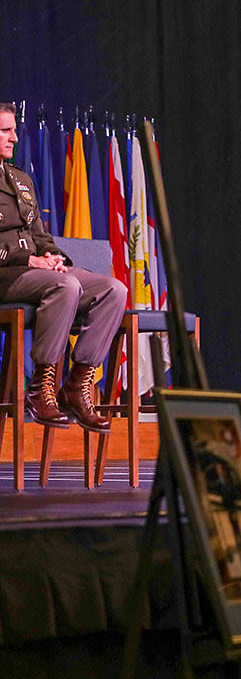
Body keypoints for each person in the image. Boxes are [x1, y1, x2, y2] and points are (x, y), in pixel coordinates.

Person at [0, 102, 127, 432]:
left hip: (35, 271)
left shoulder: (20, 179)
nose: (14, 137)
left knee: (114, 290)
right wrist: (26, 258)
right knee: (65, 286)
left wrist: (54, 256)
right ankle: (41, 388)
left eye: (14, 129)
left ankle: (76, 384)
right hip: (6, 275)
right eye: (5, 131)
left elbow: (38, 232)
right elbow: (20, 248)